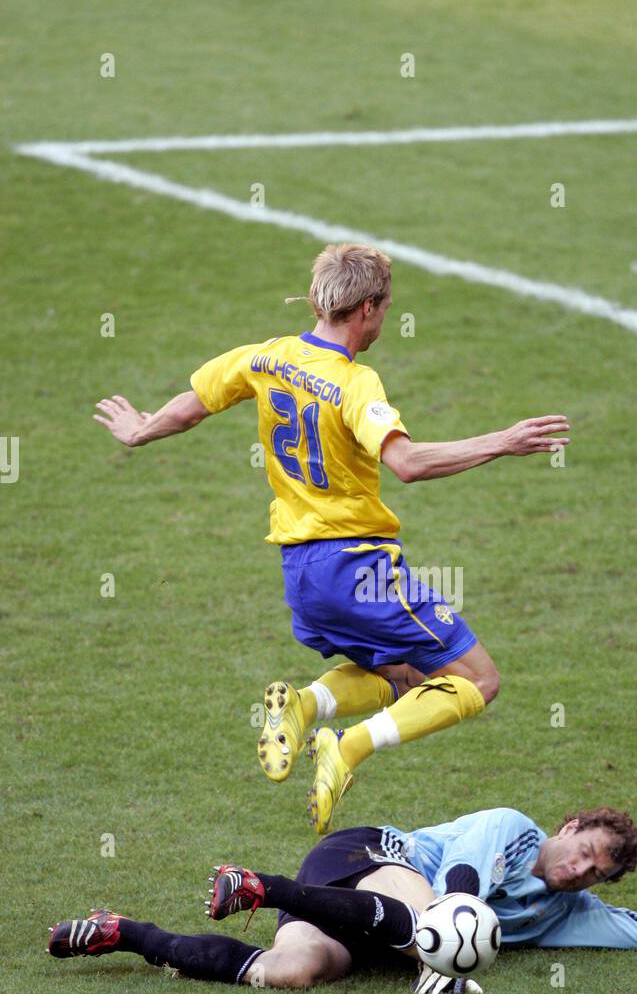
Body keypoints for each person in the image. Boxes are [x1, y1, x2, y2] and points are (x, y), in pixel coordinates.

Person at [93, 244, 570, 833]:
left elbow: (195, 405)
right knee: (479, 680)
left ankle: (304, 704)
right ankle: (347, 747)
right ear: (367, 307)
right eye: (386, 308)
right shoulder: (354, 382)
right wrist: (503, 440)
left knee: (408, 679)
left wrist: (141, 428)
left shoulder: (266, 358)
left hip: (301, 574)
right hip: (358, 570)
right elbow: (409, 463)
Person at [48, 806, 637, 994]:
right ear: (569, 827)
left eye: (594, 872)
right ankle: (258, 886)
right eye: (582, 850)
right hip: (363, 857)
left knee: (294, 973)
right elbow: (464, 878)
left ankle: (125, 933)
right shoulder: (511, 830)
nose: (578, 870)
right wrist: (451, 932)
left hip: (362, 926)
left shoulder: (567, 912)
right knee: (434, 914)